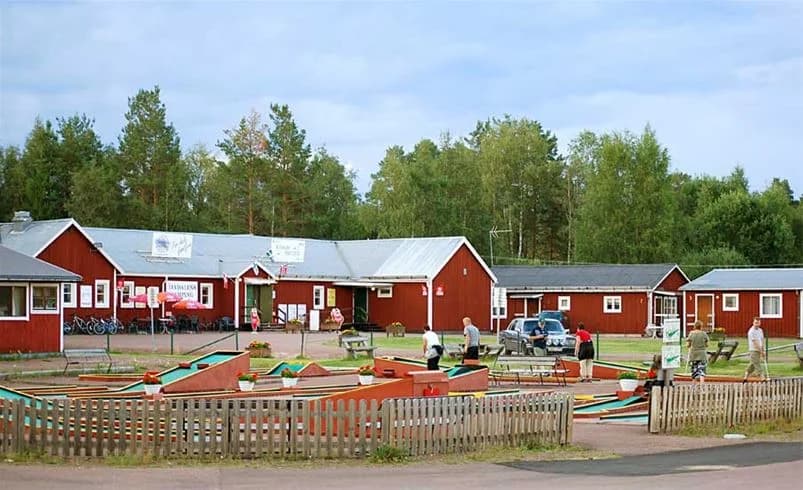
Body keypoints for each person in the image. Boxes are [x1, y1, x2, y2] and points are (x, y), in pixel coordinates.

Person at [743, 317, 767, 382]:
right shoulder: (751, 331)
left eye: (758, 323)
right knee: (757, 363)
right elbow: (755, 342)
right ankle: (762, 377)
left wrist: (763, 349)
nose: (757, 324)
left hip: (759, 349)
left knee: (752, 364)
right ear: (753, 322)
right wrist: (761, 351)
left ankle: (745, 376)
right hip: (753, 350)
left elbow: (762, 340)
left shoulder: (760, 330)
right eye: (756, 323)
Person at [686, 320, 709, 385]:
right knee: (702, 371)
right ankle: (702, 385)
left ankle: (693, 385)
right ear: (701, 327)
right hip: (702, 355)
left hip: (693, 354)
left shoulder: (691, 333)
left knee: (694, 370)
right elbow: (707, 344)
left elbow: (688, 345)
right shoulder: (704, 334)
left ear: (694, 326)